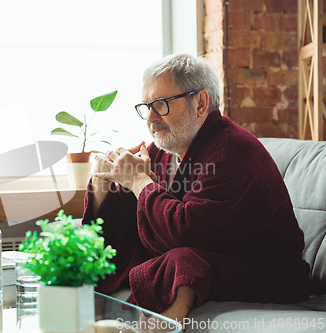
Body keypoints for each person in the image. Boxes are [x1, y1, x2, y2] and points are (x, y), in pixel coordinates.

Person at [81, 54, 310, 324]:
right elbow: (131, 222)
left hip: (267, 271)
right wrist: (102, 181)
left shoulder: (232, 152)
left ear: (200, 103)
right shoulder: (163, 149)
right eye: (146, 107)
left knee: (184, 262)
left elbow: (184, 233)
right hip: (201, 253)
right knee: (114, 253)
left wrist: (139, 182)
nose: (150, 119)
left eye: (161, 104)